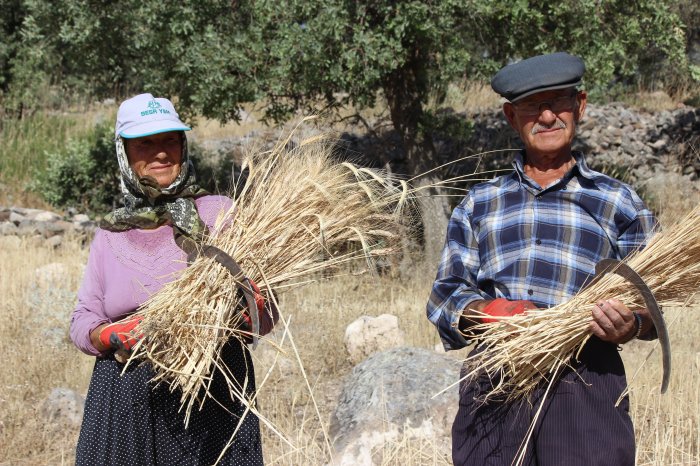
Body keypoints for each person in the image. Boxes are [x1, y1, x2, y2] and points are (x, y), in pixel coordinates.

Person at [426, 52, 658, 465]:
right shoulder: (480, 202)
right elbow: (445, 296)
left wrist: (631, 323)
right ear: (512, 117)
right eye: (533, 106)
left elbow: (653, 306)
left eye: (559, 102)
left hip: (586, 379)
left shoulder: (620, 202)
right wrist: (492, 312)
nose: (548, 116)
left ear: (580, 106)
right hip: (497, 375)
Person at [70, 93, 275, 465]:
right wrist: (114, 334)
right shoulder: (110, 235)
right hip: (126, 396)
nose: (161, 153)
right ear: (125, 154)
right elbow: (83, 319)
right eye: (145, 143)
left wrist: (254, 308)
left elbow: (265, 315)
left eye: (169, 140)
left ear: (183, 145)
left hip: (214, 397)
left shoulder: (220, 215)